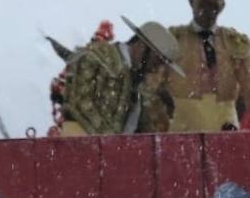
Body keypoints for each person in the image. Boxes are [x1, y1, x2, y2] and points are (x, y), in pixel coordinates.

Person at [146, 0, 250, 132]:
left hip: (226, 131)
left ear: (223, 5)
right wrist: (159, 123)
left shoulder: (235, 43)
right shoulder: (173, 39)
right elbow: (149, 87)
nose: (210, 0)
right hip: (182, 132)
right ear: (191, 0)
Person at [51, 17, 180, 136]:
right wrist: (115, 143)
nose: (156, 68)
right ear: (142, 46)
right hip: (82, 151)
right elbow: (79, 106)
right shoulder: (95, 58)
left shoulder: (142, 85)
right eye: (157, 60)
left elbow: (147, 130)